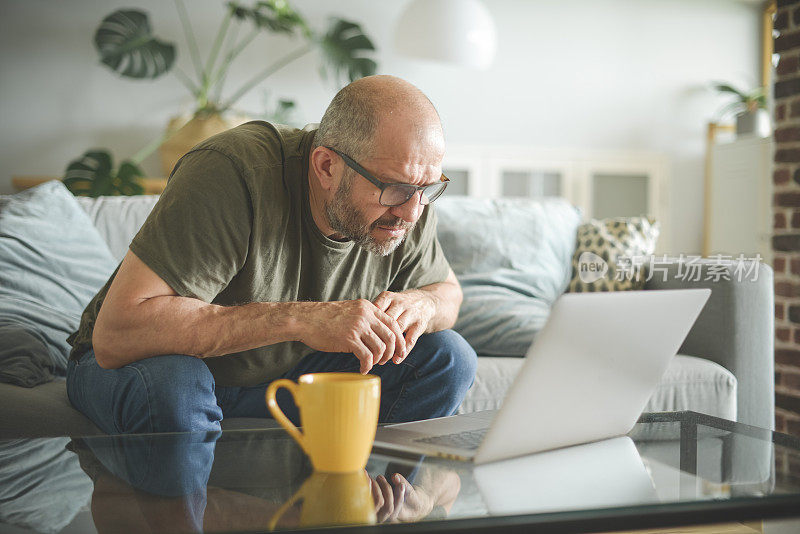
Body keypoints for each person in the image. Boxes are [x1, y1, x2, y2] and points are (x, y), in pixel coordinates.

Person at [66, 75, 477, 435]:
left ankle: (368, 505)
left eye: (426, 189)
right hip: (154, 367)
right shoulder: (231, 172)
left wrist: (421, 304)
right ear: (326, 166)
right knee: (174, 386)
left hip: (284, 376)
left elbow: (448, 294)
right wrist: (301, 318)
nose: (411, 212)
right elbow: (117, 334)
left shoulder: (411, 192)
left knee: (448, 358)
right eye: (397, 190)